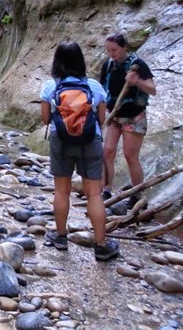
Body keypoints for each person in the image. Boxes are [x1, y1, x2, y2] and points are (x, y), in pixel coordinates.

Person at [40, 41, 119, 261]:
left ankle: (61, 236)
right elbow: (102, 119)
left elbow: (45, 119)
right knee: (94, 193)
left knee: (61, 191)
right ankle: (101, 245)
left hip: (61, 141)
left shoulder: (50, 87)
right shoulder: (93, 86)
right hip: (90, 140)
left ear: (57, 62)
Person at [99, 33, 156, 201]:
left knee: (130, 156)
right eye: (108, 50)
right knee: (107, 152)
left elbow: (152, 89)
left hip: (134, 117)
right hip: (114, 116)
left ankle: (137, 195)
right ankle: (106, 190)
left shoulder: (137, 65)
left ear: (124, 47)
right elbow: (102, 90)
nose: (111, 53)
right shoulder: (108, 65)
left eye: (114, 50)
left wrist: (136, 81)